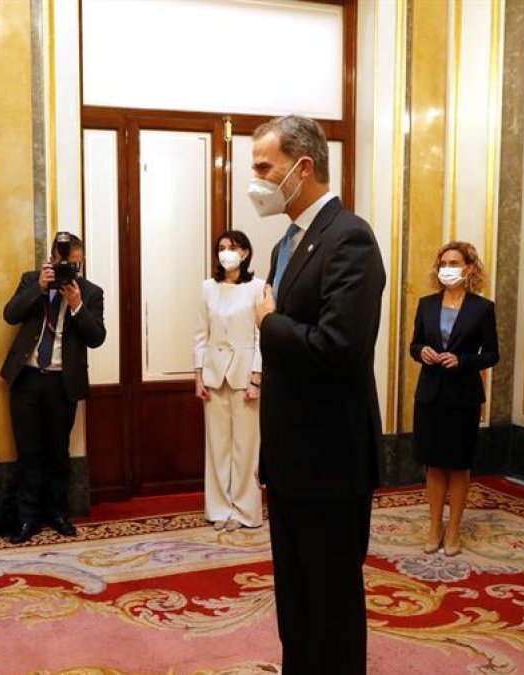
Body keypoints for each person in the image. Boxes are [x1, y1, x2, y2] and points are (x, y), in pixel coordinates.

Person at [252, 115, 385, 674]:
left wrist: (267, 324)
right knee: (297, 603)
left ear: (303, 167)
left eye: (265, 167)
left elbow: (340, 347)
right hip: (291, 458)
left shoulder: (348, 237)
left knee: (330, 605)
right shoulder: (289, 240)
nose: (255, 180)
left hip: (330, 460)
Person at [0, 232, 106, 544]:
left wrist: (76, 306)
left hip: (62, 382)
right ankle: (27, 517)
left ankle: (57, 512)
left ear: (81, 263)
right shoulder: (31, 280)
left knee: (58, 452)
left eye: (75, 266)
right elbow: (10, 314)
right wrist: (38, 289)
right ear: (52, 260)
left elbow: (96, 338)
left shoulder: (91, 293)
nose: (69, 272)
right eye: (64, 265)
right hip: (28, 379)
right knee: (29, 452)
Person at [408, 241, 498, 556]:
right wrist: (422, 351)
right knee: (434, 465)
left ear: (469, 268)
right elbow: (414, 345)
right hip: (430, 393)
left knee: (458, 465)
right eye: (443, 262)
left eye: (455, 262)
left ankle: (455, 528)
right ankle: (435, 526)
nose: (448, 268)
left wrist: (463, 360)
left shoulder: (482, 308)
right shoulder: (426, 304)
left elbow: (491, 354)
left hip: (463, 395)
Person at [194, 230, 264, 532]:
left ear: (245, 253)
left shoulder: (258, 288)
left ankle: (245, 510)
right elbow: (199, 335)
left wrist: (257, 378)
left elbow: (262, 336)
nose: (226, 253)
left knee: (246, 448)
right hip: (213, 374)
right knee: (217, 446)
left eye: (233, 247)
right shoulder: (208, 288)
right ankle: (219, 509)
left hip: (245, 374)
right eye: (221, 248)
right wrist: (198, 376)